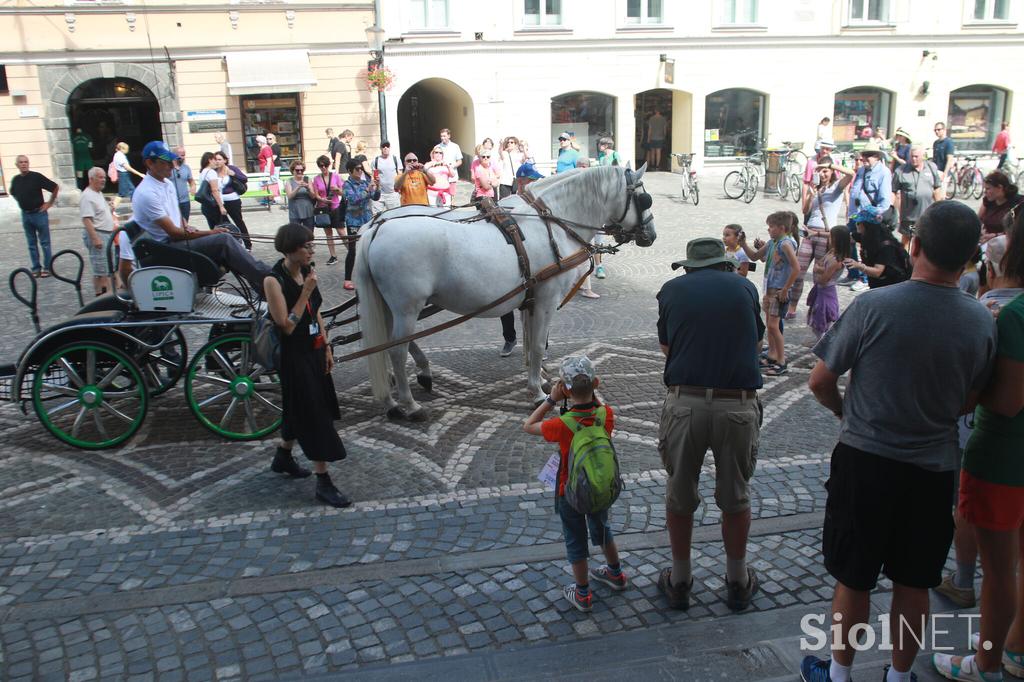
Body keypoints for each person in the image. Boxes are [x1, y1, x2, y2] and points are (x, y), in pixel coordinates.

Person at [799, 200, 997, 682]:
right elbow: (973, 396)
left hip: (866, 460)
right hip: (933, 469)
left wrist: (850, 414)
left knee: (854, 577)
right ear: (971, 257)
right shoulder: (980, 321)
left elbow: (820, 381)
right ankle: (899, 676)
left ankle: (840, 675)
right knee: (915, 582)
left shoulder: (873, 306)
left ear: (915, 245)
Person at [933, 230, 1024, 681]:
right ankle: (1016, 645)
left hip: (1003, 457)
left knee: (999, 570)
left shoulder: (1012, 316)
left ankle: (985, 661)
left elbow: (1005, 401)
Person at [657, 237, 764, 612]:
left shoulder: (672, 290)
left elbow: (667, 347)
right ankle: (737, 580)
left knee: (680, 493)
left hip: (685, 403)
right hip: (737, 405)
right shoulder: (745, 287)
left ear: (689, 267)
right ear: (723, 264)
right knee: (735, 496)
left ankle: (681, 580)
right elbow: (756, 341)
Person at [523, 356, 627, 613]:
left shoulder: (563, 424)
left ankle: (582, 594)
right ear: (596, 383)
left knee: (575, 539)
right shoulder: (606, 415)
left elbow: (528, 426)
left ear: (565, 389)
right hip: (600, 487)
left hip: (569, 491)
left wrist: (551, 400)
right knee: (602, 528)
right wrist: (593, 392)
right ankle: (615, 574)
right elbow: (598, 406)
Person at [264, 223, 351, 509]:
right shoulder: (273, 281)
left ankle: (284, 456)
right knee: (314, 414)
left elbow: (318, 313)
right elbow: (286, 326)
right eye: (307, 246)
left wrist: (326, 346)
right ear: (291, 249)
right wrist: (305, 292)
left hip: (314, 351)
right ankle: (323, 481)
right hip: (294, 356)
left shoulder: (307, 273)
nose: (312, 250)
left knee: (299, 406)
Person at [132, 141, 271, 294]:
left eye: (171, 161)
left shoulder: (166, 183)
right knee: (223, 239)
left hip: (175, 241)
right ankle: (269, 277)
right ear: (149, 163)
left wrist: (187, 226)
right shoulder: (147, 193)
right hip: (165, 249)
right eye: (165, 162)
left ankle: (262, 288)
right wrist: (210, 233)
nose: (171, 166)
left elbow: (176, 214)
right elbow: (174, 234)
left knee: (229, 231)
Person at [738, 212, 799, 376]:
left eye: (771, 227)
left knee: (773, 326)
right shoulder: (774, 242)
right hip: (770, 287)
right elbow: (755, 256)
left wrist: (786, 289)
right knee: (769, 325)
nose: (768, 229)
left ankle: (781, 361)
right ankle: (772, 355)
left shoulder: (786, 244)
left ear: (781, 228)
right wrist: (743, 244)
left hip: (779, 290)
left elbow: (796, 268)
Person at [794, 157, 855, 309]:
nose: (822, 174)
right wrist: (810, 195)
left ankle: (817, 306)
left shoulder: (836, 187)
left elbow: (850, 174)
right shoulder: (816, 189)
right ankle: (792, 307)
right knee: (798, 272)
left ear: (832, 171)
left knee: (818, 274)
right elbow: (805, 210)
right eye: (819, 171)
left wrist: (830, 164)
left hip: (825, 234)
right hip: (809, 233)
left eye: (825, 171)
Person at [843, 141, 893, 291]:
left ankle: (864, 278)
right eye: (863, 155)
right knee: (847, 240)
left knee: (866, 247)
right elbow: (855, 192)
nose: (864, 158)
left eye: (868, 155)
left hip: (869, 218)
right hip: (856, 216)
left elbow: (884, 200)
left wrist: (875, 218)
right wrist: (850, 213)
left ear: (877, 156)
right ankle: (852, 273)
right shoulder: (862, 170)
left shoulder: (883, 172)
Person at [9, 155, 58, 278]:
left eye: (26, 162)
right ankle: (36, 268)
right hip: (26, 215)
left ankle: (48, 267)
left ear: (28, 163)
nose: (24, 164)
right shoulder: (15, 180)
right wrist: (22, 202)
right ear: (17, 165)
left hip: (39, 214)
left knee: (45, 243)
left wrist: (49, 203)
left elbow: (55, 187)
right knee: (31, 243)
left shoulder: (36, 177)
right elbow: (13, 192)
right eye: (21, 162)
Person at [845, 208, 911, 290]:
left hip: (891, 287)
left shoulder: (886, 246)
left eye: (859, 223)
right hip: (877, 284)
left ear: (867, 225)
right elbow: (847, 238)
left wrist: (858, 266)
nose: (856, 225)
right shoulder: (866, 236)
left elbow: (878, 272)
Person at [893, 145, 943, 249]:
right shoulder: (901, 170)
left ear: (922, 156)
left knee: (925, 241)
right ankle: (905, 262)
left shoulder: (931, 167)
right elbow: (893, 191)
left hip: (926, 214)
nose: (913, 159)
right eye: (912, 156)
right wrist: (893, 210)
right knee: (906, 241)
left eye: (916, 156)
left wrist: (940, 207)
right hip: (909, 216)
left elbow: (937, 188)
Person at [200, 150, 252, 250]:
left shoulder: (231, 168)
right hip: (219, 202)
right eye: (216, 159)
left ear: (225, 160)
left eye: (219, 159)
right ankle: (232, 245)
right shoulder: (213, 171)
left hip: (233, 200)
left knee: (238, 222)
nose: (217, 162)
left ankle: (248, 244)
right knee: (224, 224)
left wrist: (233, 174)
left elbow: (244, 179)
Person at [806, 227, 850, 343]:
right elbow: (820, 264)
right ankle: (820, 342)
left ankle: (824, 344)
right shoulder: (831, 252)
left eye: (831, 237)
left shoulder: (837, 260)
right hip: (821, 289)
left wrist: (819, 270)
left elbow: (824, 279)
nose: (829, 239)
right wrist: (821, 269)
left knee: (823, 319)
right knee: (816, 317)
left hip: (826, 292)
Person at [342, 159, 379, 289]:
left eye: (361, 169)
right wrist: (368, 191)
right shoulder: (347, 185)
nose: (360, 171)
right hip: (353, 221)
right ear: (350, 171)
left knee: (368, 247)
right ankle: (347, 279)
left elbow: (375, 197)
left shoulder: (365, 182)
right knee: (353, 250)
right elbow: (354, 199)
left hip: (367, 220)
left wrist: (377, 187)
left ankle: (369, 276)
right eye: (357, 169)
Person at [78, 166, 115, 296]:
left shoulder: (98, 193)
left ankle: (105, 294)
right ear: (91, 179)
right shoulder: (87, 196)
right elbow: (86, 219)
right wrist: (95, 238)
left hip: (106, 234)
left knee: (106, 268)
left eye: (104, 177)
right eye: (100, 177)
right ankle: (102, 295)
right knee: (101, 271)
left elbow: (99, 213)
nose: (103, 180)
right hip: (99, 234)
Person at [310, 154, 342, 267]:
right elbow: (316, 195)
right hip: (323, 208)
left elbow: (342, 192)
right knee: (329, 234)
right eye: (320, 166)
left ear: (328, 165)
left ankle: (352, 252)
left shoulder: (336, 176)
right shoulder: (316, 179)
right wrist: (322, 199)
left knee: (341, 231)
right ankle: (333, 256)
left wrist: (337, 190)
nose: (323, 168)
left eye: (325, 165)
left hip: (335, 207)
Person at [978, 170, 1024, 241]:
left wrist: (995, 236)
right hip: (987, 241)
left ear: (1000, 187)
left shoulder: (1018, 203)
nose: (985, 192)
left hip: (1008, 241)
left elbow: (1018, 231)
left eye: (988, 188)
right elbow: (978, 219)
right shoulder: (988, 201)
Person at [803, 139, 837, 205]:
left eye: (827, 149)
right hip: (813, 196)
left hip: (828, 199)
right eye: (822, 148)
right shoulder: (811, 162)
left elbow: (837, 180)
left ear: (831, 150)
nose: (824, 151)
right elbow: (805, 183)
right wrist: (804, 203)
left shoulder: (835, 162)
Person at [371, 141, 402, 211]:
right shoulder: (375, 160)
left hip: (393, 194)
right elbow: (373, 176)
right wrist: (374, 187)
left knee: (394, 216)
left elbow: (400, 175)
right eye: (383, 146)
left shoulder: (396, 159)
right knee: (377, 217)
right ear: (380, 148)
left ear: (389, 148)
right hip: (379, 194)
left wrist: (400, 189)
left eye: (387, 146)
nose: (385, 148)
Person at [285, 160, 315, 228]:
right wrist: (298, 187)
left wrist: (308, 188)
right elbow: (289, 196)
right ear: (293, 170)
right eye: (297, 170)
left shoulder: (307, 179)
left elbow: (313, 196)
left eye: (301, 170)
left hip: (308, 211)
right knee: (295, 234)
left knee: (309, 234)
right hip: (295, 212)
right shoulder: (289, 181)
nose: (300, 172)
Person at [171, 146, 196, 222]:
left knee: (185, 224)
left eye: (184, 155)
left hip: (185, 202)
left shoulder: (186, 168)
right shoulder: (168, 168)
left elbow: (191, 181)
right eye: (182, 155)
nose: (184, 157)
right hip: (172, 202)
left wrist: (193, 187)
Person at [934, 121, 957, 187]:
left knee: (942, 194)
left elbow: (949, 159)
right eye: (935, 130)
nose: (936, 131)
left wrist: (945, 173)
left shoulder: (948, 142)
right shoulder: (936, 143)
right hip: (936, 171)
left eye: (938, 129)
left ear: (944, 130)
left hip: (943, 171)